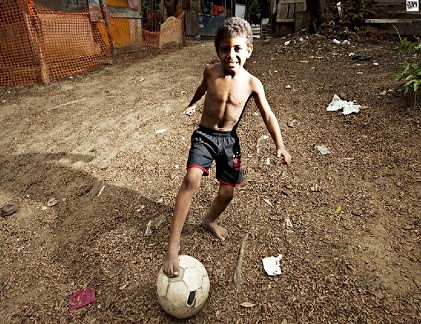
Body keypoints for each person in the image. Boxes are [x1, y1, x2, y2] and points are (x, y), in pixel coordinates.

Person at [162, 17, 292, 277]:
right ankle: (173, 246)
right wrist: (192, 104)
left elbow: (268, 114)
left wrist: (280, 145)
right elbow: (201, 90)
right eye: (224, 49)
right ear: (217, 51)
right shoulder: (210, 71)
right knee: (192, 178)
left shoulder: (253, 83)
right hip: (204, 136)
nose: (230, 55)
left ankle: (209, 220)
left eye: (237, 48)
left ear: (248, 50)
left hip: (229, 140)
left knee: (228, 193)